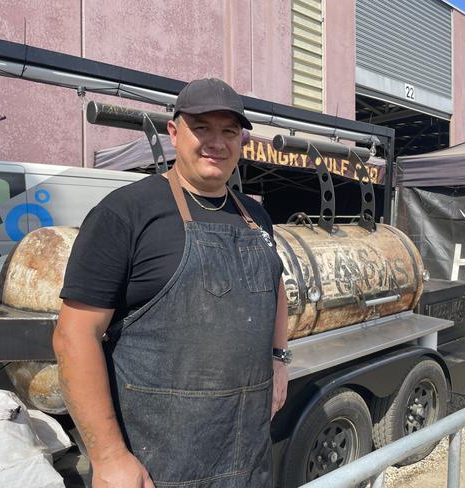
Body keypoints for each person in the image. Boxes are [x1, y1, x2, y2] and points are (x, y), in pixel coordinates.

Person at [53, 78, 290, 488]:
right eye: (202, 127)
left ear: (241, 141)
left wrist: (279, 359)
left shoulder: (254, 213)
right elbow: (74, 337)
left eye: (229, 131)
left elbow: (275, 287)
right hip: (157, 463)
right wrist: (109, 458)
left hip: (247, 455)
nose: (216, 142)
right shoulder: (125, 213)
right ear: (175, 133)